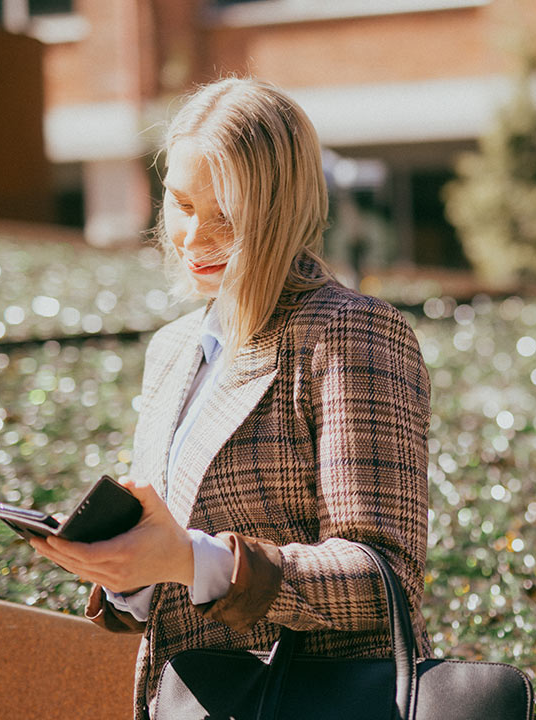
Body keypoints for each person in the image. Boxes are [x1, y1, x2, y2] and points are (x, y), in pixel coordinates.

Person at [27, 77, 432, 719]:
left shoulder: (347, 331)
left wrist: (196, 559)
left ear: (283, 210)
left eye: (226, 215)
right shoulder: (173, 350)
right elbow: (176, 581)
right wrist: (129, 570)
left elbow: (384, 579)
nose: (191, 237)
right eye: (182, 204)